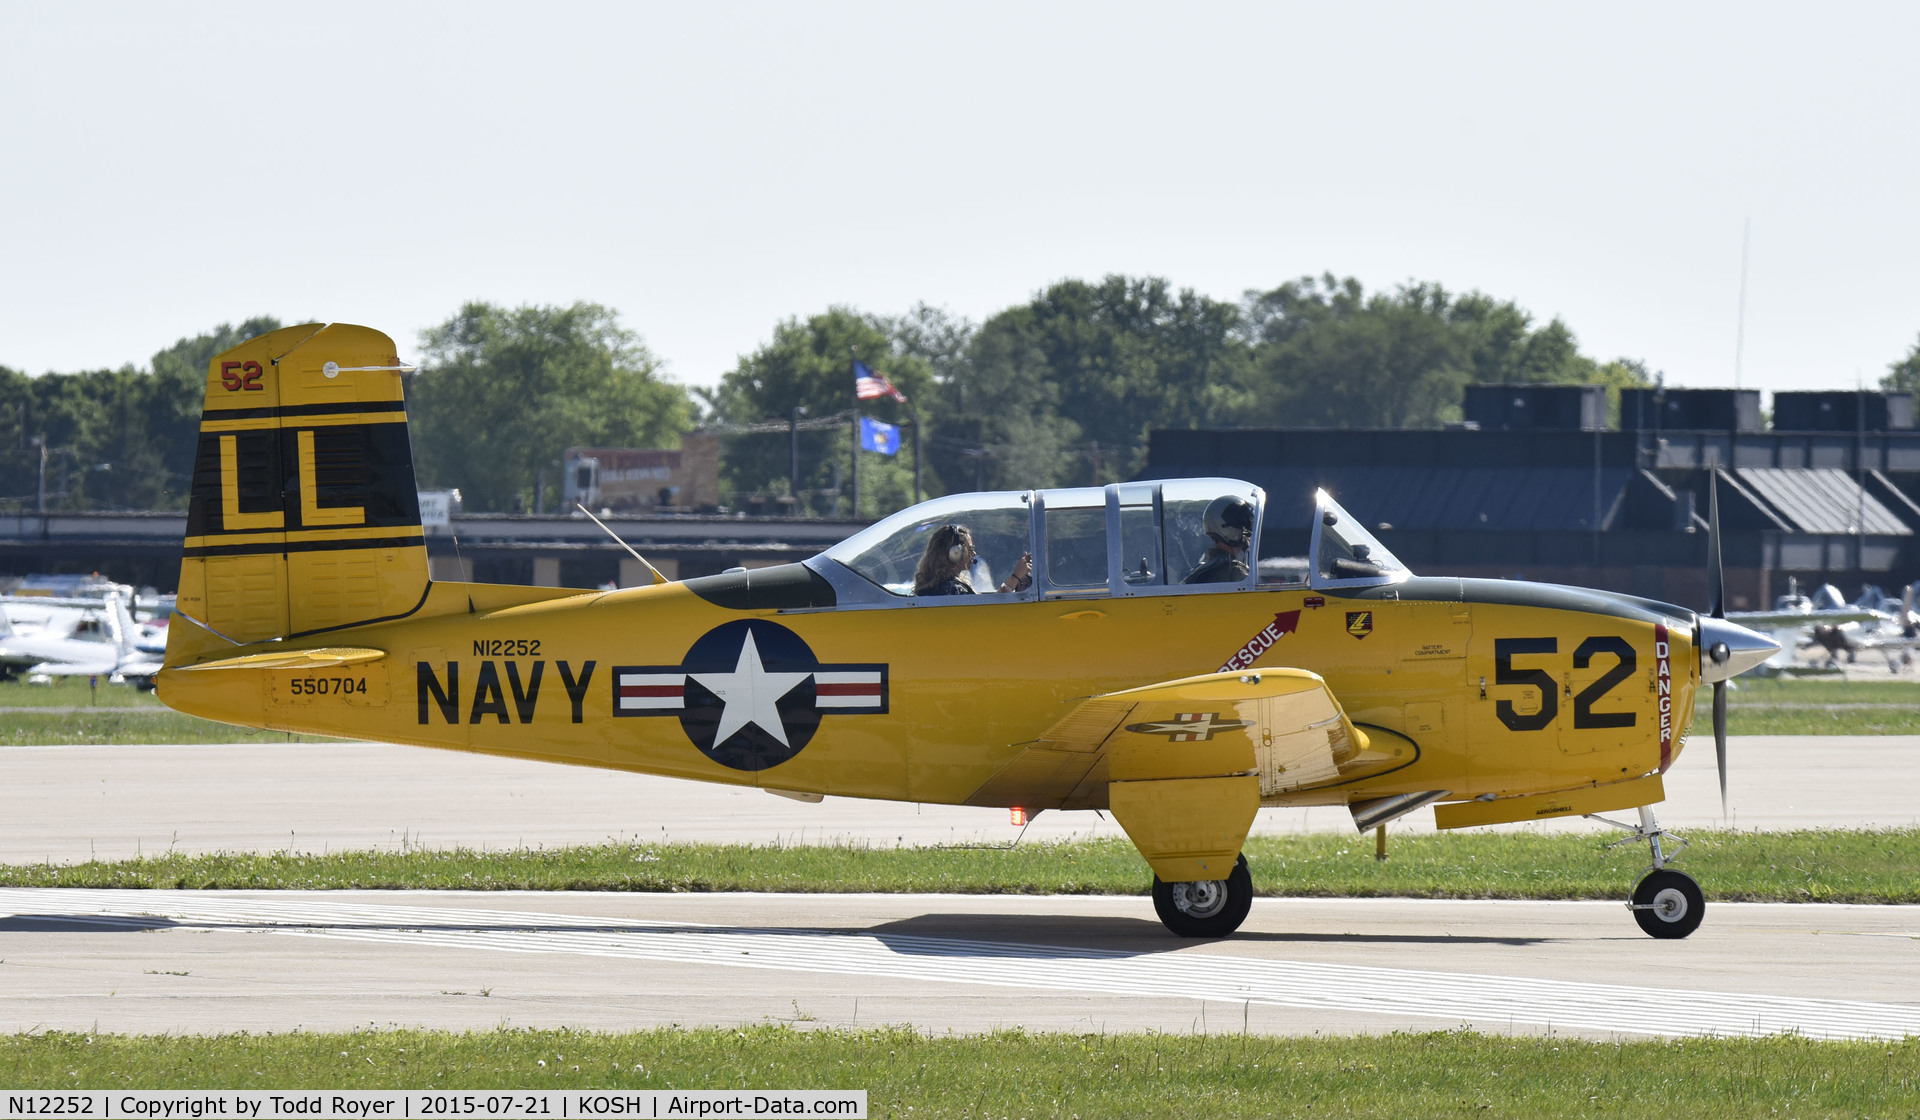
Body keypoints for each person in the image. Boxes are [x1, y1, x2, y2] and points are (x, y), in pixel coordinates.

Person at [914, 524, 1033, 596]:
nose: (974, 554)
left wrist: (1015, 580)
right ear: (955, 553)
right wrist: (1015, 577)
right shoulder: (952, 590)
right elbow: (986, 615)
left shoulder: (943, 586)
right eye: (970, 550)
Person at [1183, 495, 1254, 584]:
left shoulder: (1199, 570)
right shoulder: (1235, 571)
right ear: (1231, 530)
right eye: (1245, 528)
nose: (1248, 534)